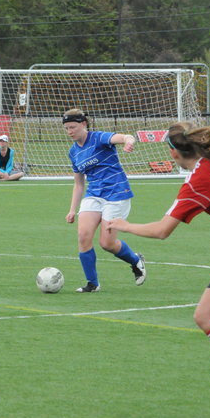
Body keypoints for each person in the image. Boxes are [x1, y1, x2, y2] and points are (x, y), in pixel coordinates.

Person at [107, 122, 210, 412]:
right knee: (206, 314)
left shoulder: (199, 183)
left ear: (173, 153)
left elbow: (162, 230)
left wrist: (124, 225)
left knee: (207, 315)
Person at [63, 108, 146, 292]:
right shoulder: (73, 152)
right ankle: (92, 284)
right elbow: (78, 184)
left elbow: (124, 137)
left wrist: (129, 141)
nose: (70, 131)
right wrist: (72, 209)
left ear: (84, 124)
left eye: (73, 127)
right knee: (83, 236)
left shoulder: (99, 138)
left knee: (107, 243)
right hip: (94, 194)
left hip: (117, 193)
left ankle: (136, 260)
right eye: (67, 128)